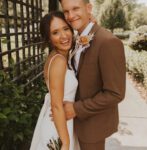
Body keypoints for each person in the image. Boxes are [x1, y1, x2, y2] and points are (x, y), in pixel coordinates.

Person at [59, 0, 126, 149]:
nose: (70, 16)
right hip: (72, 123)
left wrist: (76, 109)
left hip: (92, 126)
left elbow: (115, 93)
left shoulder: (108, 42)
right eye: (66, 11)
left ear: (88, 8)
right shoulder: (76, 38)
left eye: (75, 9)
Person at [30, 11, 80, 150]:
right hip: (57, 127)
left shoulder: (59, 56)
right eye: (55, 32)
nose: (64, 36)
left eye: (65, 29)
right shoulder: (58, 61)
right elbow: (57, 105)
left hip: (62, 122)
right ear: (49, 38)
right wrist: (65, 143)